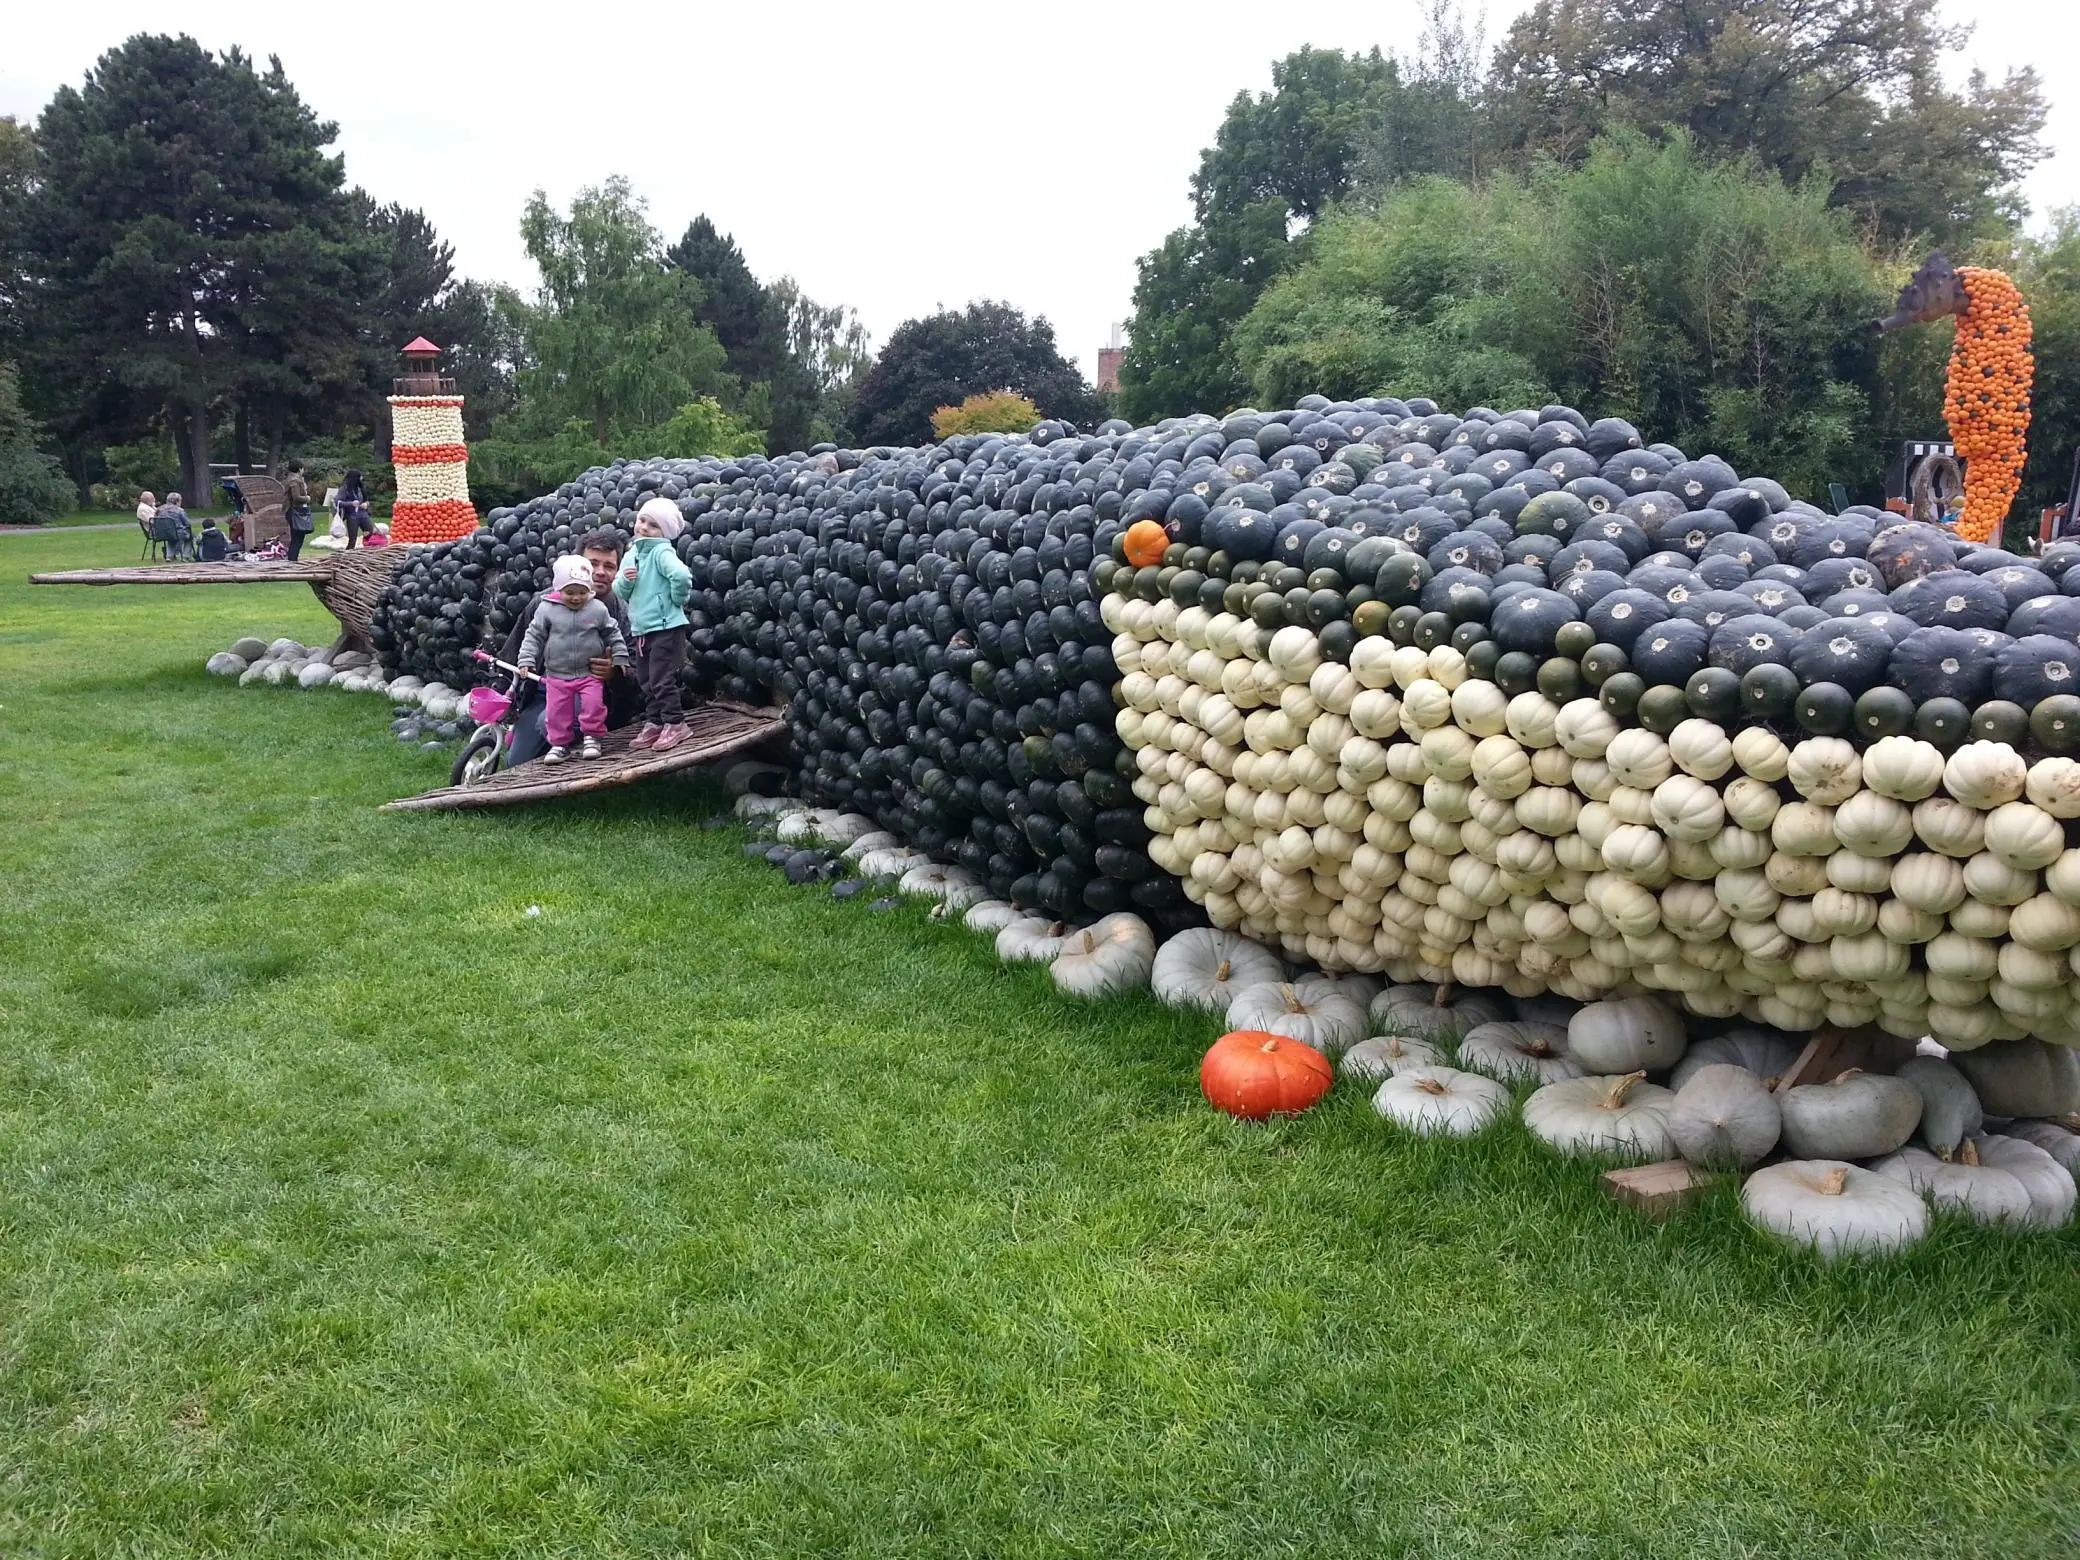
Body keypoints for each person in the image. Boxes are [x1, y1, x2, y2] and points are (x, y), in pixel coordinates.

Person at [499, 528, 639, 766]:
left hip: (591, 695)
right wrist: (504, 696)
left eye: (609, 566)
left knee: (547, 724)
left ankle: (577, 750)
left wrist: (614, 674)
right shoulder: (543, 604)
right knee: (516, 762)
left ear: (617, 571)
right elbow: (516, 649)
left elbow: (636, 674)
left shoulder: (623, 615)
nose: (600, 572)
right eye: (592, 563)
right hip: (545, 690)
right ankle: (545, 741)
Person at [616, 496, 695, 752]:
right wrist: (626, 581)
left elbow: (681, 575)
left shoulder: (661, 552)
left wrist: (677, 600)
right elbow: (619, 590)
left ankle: (676, 723)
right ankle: (655, 722)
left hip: (665, 626)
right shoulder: (632, 554)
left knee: (661, 679)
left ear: (664, 532)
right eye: (642, 520)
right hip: (642, 629)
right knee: (646, 679)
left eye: (653, 525)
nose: (644, 527)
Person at [282, 460, 313, 560]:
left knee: (297, 538)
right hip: (295, 511)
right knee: (297, 538)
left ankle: (292, 559)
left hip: (292, 510)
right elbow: (296, 497)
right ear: (300, 469)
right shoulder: (294, 481)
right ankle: (292, 560)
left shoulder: (291, 479)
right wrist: (307, 498)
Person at [333, 469, 371, 548]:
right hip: (352, 516)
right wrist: (351, 503)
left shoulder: (360, 488)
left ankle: (367, 547)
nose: (361, 479)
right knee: (353, 539)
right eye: (359, 477)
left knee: (370, 531)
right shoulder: (344, 489)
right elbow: (337, 502)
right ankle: (349, 552)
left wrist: (366, 504)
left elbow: (366, 500)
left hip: (363, 514)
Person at [154, 492, 194, 560]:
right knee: (190, 536)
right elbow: (188, 523)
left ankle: (169, 556)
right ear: (177, 501)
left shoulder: (159, 509)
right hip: (176, 533)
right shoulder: (179, 510)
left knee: (171, 536)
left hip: (160, 534)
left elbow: (155, 520)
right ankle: (186, 555)